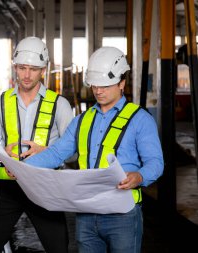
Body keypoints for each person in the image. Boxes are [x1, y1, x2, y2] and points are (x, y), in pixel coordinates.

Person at [25, 46, 164, 253]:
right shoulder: (82, 120)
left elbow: (156, 163)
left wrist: (139, 176)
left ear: (122, 83)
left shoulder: (140, 119)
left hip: (123, 214)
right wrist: (22, 167)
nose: (98, 91)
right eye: (95, 85)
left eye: (105, 86)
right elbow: (56, 154)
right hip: (87, 213)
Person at [0, 36, 73, 253]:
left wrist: (48, 153)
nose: (26, 74)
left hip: (45, 187)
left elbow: (72, 153)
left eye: (33, 69)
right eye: (22, 68)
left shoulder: (60, 105)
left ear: (43, 70)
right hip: (8, 189)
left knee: (59, 248)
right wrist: (1, 155)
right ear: (15, 68)